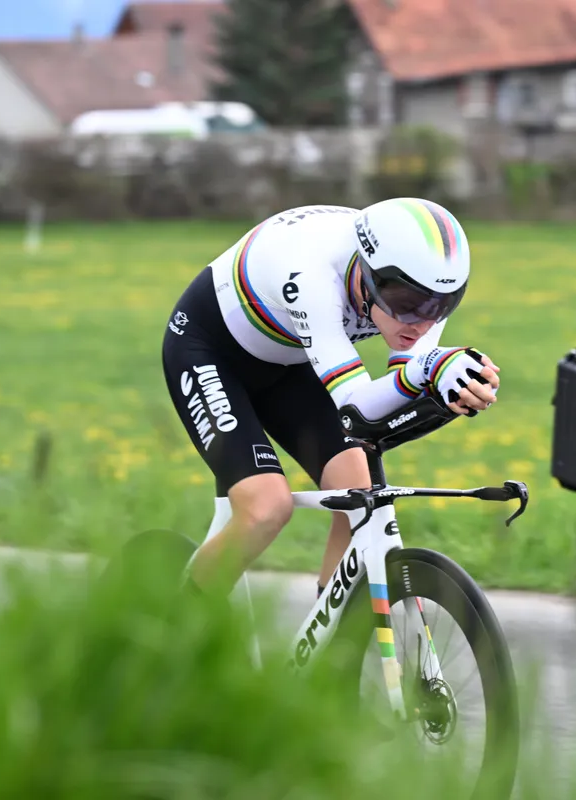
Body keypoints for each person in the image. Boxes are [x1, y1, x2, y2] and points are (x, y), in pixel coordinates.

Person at [161, 199, 499, 599]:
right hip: (211, 352)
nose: (423, 323)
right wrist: (429, 370)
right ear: (368, 278)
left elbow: (394, 399)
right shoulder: (312, 275)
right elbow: (357, 408)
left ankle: (329, 647)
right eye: (408, 306)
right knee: (266, 508)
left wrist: (452, 391)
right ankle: (175, 626)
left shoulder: (422, 289)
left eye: (441, 307)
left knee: (360, 495)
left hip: (291, 358)